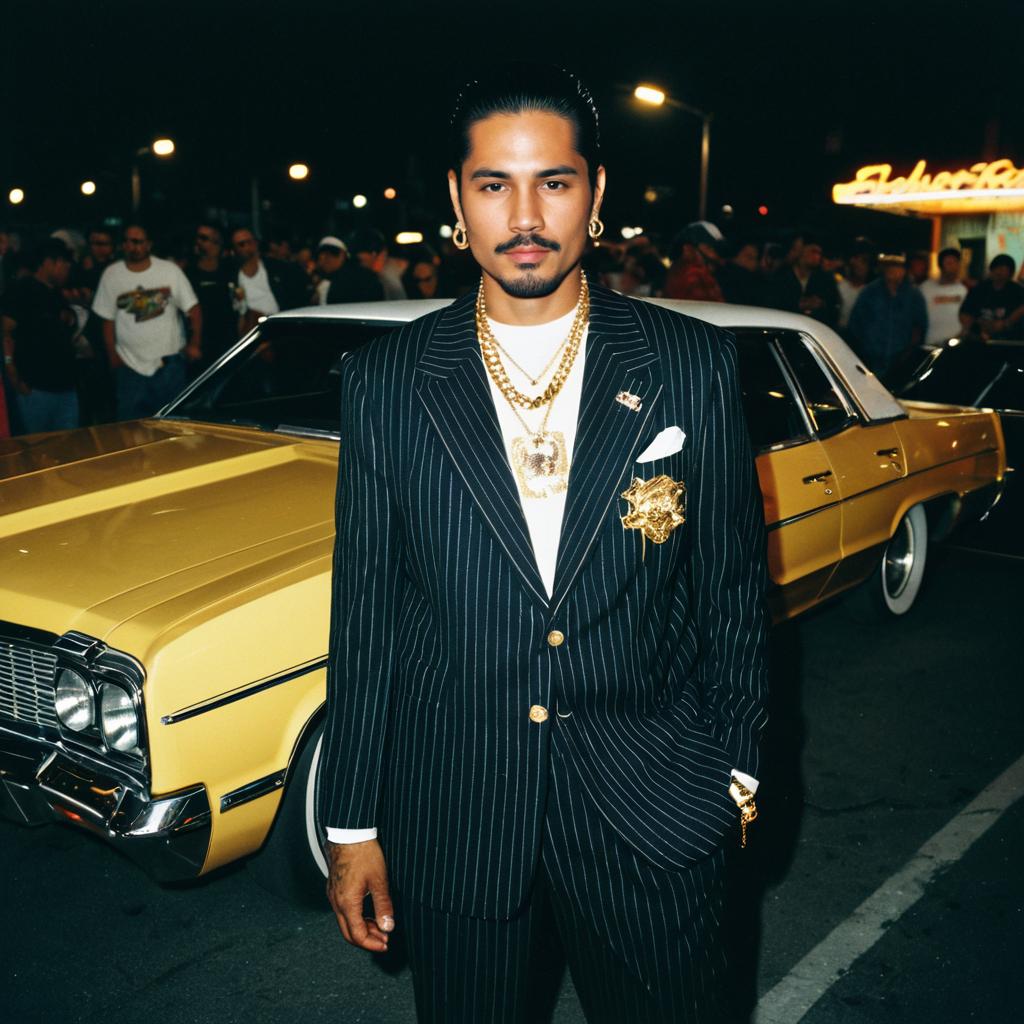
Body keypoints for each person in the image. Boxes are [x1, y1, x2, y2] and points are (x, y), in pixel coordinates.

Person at [319, 62, 769, 1024]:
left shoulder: (690, 363)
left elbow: (733, 588)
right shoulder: (386, 382)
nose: (525, 214)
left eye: (554, 181)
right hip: (459, 814)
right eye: (494, 184)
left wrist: (738, 769)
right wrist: (352, 823)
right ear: (457, 200)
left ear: (595, 194)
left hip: (654, 807)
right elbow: (365, 616)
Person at [92, 223, 202, 420]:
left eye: (137, 241)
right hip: (130, 367)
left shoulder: (169, 271)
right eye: (127, 241)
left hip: (168, 366)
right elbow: (107, 319)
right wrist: (113, 357)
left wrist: (194, 343)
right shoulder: (112, 274)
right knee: (131, 431)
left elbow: (193, 309)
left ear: (148, 244)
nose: (132, 246)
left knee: (173, 426)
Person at [1, 238, 79, 433]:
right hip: (35, 389)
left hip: (66, 388)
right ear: (48, 263)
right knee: (33, 451)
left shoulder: (58, 295)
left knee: (68, 449)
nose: (67, 267)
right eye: (63, 262)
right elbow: (5, 332)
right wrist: (11, 371)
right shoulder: (22, 290)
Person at [847, 252, 927, 378]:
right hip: (870, 361)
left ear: (904, 270)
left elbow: (920, 327)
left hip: (902, 362)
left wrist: (908, 354)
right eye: (888, 266)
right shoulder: (869, 292)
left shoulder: (914, 295)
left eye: (897, 266)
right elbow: (855, 324)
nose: (892, 270)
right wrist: (864, 350)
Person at [231, 227, 310, 333]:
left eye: (250, 241)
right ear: (234, 250)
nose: (248, 246)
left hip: (279, 326)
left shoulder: (275, 268)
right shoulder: (232, 276)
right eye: (241, 244)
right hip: (251, 330)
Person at [186, 223, 238, 368]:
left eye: (203, 238)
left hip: (229, 342)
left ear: (217, 242)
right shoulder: (189, 272)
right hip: (202, 343)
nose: (198, 241)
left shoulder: (231, 268)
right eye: (197, 237)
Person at [767, 234, 840, 327]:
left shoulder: (825, 280)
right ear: (801, 251)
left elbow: (833, 309)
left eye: (819, 253)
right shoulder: (782, 276)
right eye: (813, 252)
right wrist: (797, 305)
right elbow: (773, 305)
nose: (817, 256)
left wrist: (821, 304)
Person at [959, 254, 1024, 342]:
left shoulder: (1017, 291)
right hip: (979, 341)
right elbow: (965, 312)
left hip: (1009, 341)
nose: (999, 272)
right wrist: (975, 327)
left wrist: (1006, 323)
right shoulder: (979, 289)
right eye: (997, 268)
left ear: (1010, 273)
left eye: (1004, 270)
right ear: (991, 270)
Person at [919, 248, 968, 348]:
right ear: (940, 265)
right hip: (930, 343)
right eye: (949, 263)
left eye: (955, 263)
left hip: (955, 345)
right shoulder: (925, 288)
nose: (952, 267)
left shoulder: (964, 290)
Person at [327, 229, 386, 303]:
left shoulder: (338, 275)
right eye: (383, 256)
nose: (383, 261)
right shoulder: (371, 281)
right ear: (374, 254)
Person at [717, 238, 766, 306]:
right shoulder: (726, 275)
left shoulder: (756, 280)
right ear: (736, 255)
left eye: (755, 258)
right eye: (749, 257)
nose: (752, 262)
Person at [837, 244, 874, 331]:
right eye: (859, 261)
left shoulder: (870, 291)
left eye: (864, 262)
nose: (861, 267)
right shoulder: (840, 287)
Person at [313, 236, 348, 305]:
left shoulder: (347, 281)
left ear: (341, 256)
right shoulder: (320, 279)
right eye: (320, 258)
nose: (322, 262)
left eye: (327, 257)